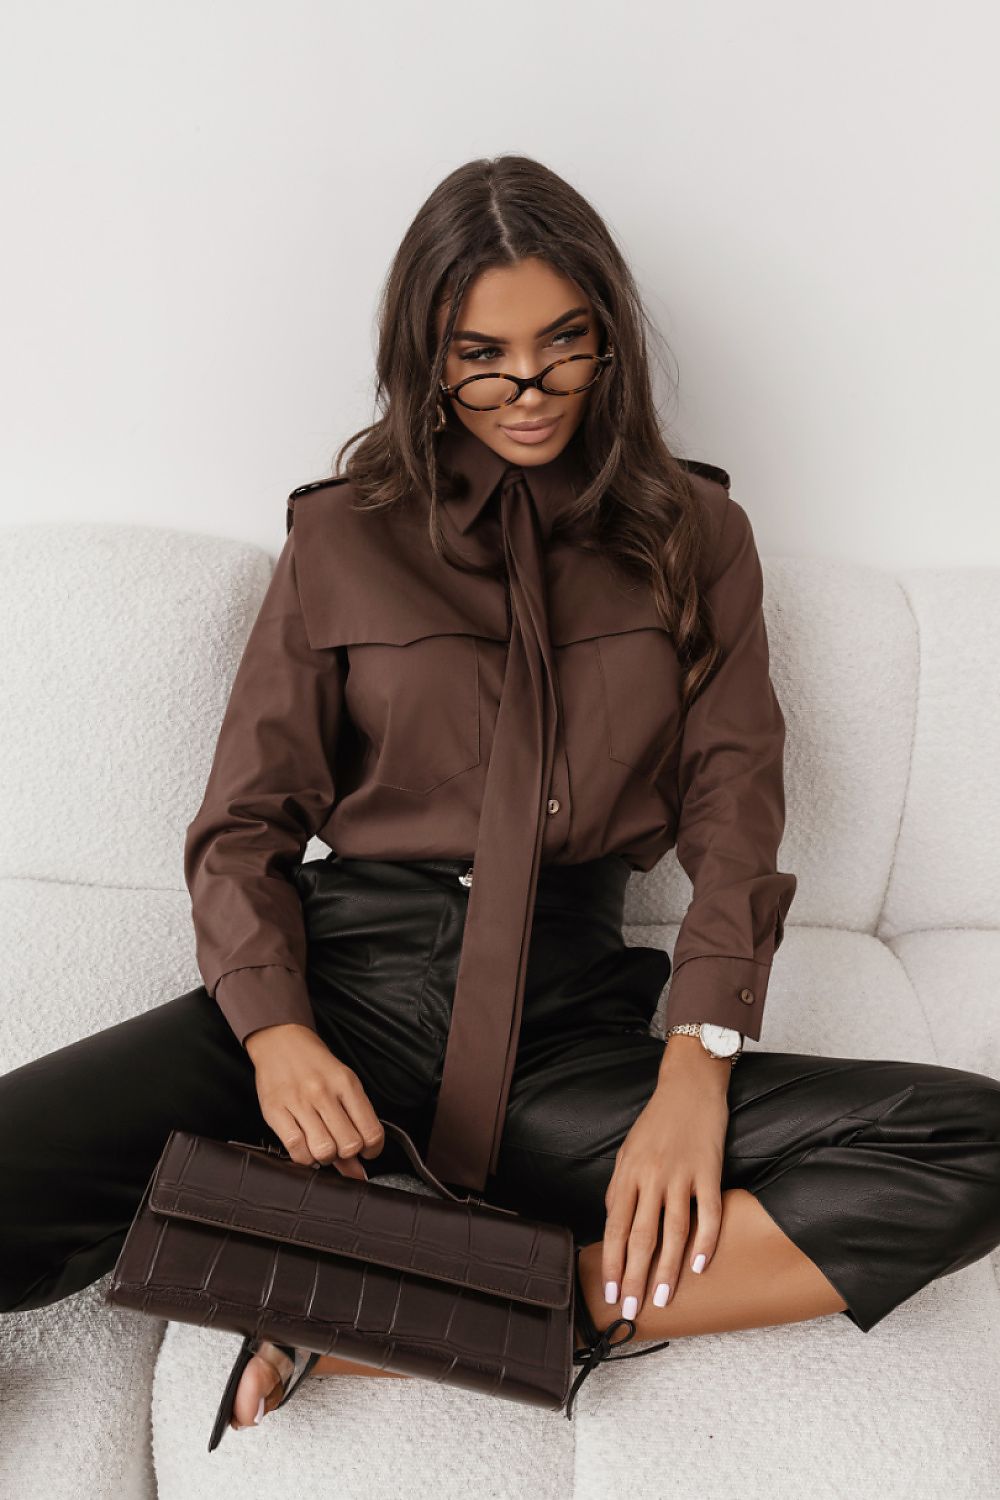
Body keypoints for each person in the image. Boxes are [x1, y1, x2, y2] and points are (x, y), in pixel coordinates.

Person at [3, 155, 1000, 1445]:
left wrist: (696, 1071)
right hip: (344, 987)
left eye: (563, 346)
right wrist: (273, 1035)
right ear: (424, 357)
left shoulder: (698, 539)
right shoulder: (341, 538)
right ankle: (386, 1249)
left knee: (969, 1144)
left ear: (611, 341)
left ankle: (473, 1307)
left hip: (561, 1031)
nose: (526, 393)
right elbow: (242, 826)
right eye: (482, 356)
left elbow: (737, 806)